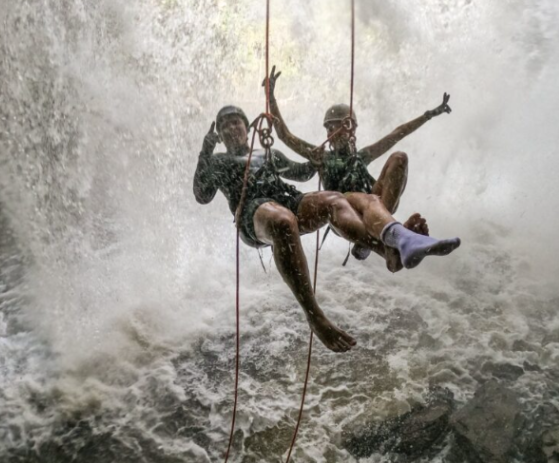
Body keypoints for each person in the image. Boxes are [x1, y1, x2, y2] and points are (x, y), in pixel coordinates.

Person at [193, 105, 461, 353]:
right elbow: (201, 195)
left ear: (247, 127)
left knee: (334, 199)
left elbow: (302, 174)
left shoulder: (268, 154)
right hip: (254, 211)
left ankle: (390, 251)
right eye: (225, 125)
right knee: (283, 221)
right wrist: (204, 153)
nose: (231, 129)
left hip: (288, 199)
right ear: (219, 135)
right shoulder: (217, 163)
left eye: (236, 122)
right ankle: (316, 317)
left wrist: (315, 159)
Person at [264, 65, 452, 260]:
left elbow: (397, 134)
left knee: (399, 157)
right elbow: (284, 136)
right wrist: (271, 98)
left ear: (349, 128)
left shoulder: (362, 156)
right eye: (327, 129)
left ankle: (380, 230)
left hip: (373, 207)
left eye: (334, 126)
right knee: (354, 196)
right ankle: (379, 234)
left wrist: (428, 115)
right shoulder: (322, 158)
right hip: (344, 215)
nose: (330, 133)